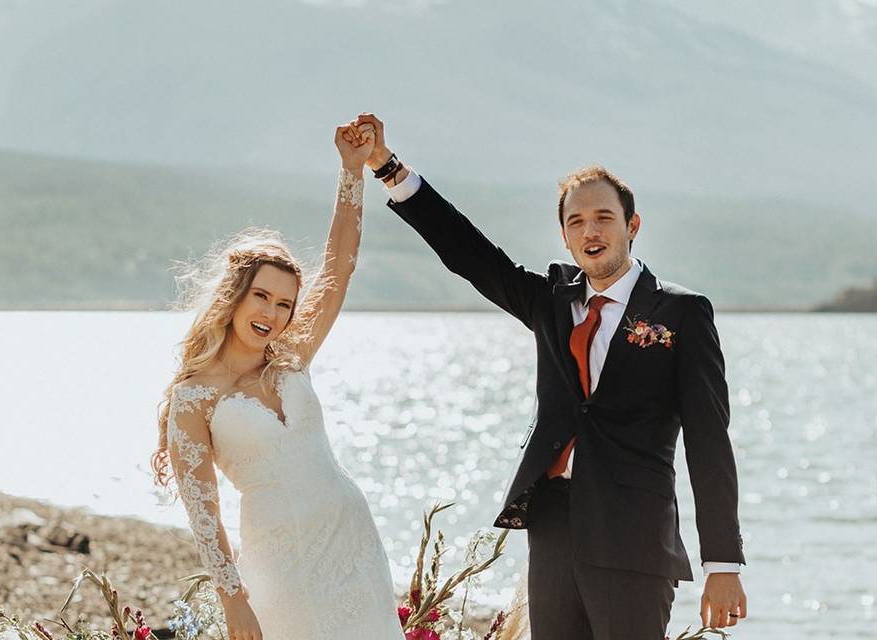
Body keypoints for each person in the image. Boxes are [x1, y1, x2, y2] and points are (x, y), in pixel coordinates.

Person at [351, 113, 747, 639]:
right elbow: (468, 253)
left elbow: (708, 440)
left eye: (604, 217)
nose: (591, 230)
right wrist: (387, 167)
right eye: (577, 221)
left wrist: (723, 563)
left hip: (634, 537)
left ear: (632, 226)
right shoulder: (551, 304)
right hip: (553, 527)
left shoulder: (682, 313)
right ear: (564, 235)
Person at [150, 122, 405, 640]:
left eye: (285, 303)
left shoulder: (289, 358)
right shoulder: (193, 397)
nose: (273, 312)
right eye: (262, 296)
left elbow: (338, 266)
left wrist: (351, 171)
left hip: (353, 546)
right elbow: (204, 513)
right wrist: (235, 601)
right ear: (235, 296)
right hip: (282, 568)